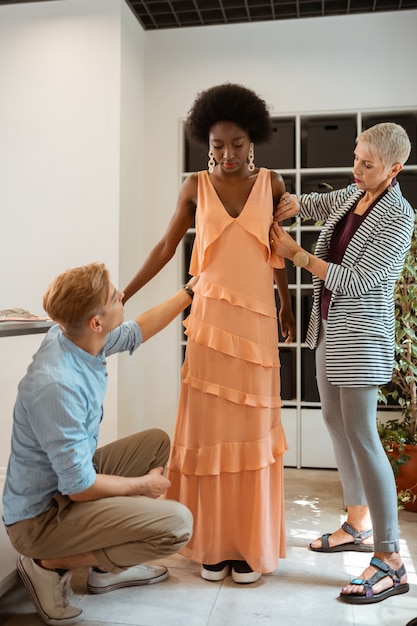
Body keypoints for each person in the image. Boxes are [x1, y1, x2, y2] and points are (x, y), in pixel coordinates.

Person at [122, 83, 295, 584]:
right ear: (206, 142)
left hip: (258, 324)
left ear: (253, 139)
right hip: (211, 328)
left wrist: (285, 305)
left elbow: (278, 250)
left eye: (236, 144)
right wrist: (124, 294)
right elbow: (164, 247)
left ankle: (248, 545)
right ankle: (214, 545)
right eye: (217, 145)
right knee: (212, 431)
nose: (227, 155)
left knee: (252, 434)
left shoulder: (274, 184)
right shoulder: (194, 186)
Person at [2, 262, 196, 625]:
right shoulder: (56, 384)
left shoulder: (75, 336)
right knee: (176, 526)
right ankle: (47, 564)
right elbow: (79, 488)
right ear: (95, 322)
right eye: (113, 296)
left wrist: (190, 292)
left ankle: (105, 571)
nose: (121, 294)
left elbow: (137, 330)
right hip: (39, 519)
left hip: (66, 487)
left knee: (154, 444)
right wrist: (143, 486)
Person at [271, 122, 414, 604]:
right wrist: (287, 203)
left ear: (394, 169)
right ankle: (357, 523)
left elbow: (361, 279)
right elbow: (317, 205)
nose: (356, 169)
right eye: (355, 157)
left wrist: (297, 256)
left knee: (363, 435)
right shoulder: (355, 194)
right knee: (335, 423)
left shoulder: (399, 216)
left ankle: (392, 559)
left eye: (367, 164)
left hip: (361, 341)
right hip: (328, 330)